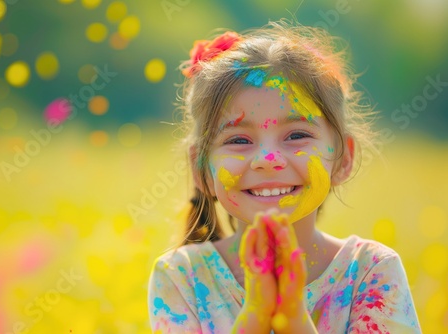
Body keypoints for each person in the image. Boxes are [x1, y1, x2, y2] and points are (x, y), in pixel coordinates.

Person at [147, 20, 421, 333]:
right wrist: (256, 314)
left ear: (343, 159)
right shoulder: (182, 277)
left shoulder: (371, 272)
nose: (268, 159)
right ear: (201, 170)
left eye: (296, 135)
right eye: (238, 140)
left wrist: (293, 319)